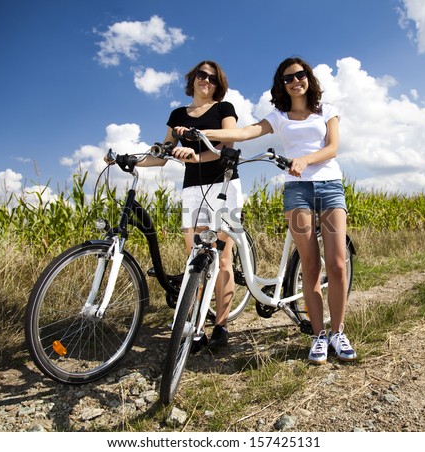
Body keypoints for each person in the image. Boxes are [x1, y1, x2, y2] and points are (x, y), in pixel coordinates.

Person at [178, 56, 357, 364]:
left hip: (329, 187)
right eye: (288, 78)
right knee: (311, 267)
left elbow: (332, 148)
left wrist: (304, 160)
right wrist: (202, 134)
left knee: (337, 265)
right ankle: (317, 336)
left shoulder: (327, 110)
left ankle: (337, 332)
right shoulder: (278, 116)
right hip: (297, 191)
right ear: (282, 85)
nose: (295, 81)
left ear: (308, 78)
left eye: (300, 75)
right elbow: (246, 132)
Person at [133, 60, 243, 352]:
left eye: (211, 77)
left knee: (221, 258)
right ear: (192, 79)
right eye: (200, 75)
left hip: (224, 183)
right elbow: (162, 155)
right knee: (196, 258)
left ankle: (220, 325)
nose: (205, 80)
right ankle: (196, 326)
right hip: (192, 189)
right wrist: (131, 160)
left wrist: (196, 156)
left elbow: (227, 147)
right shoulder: (178, 114)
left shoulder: (224, 109)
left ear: (218, 84)